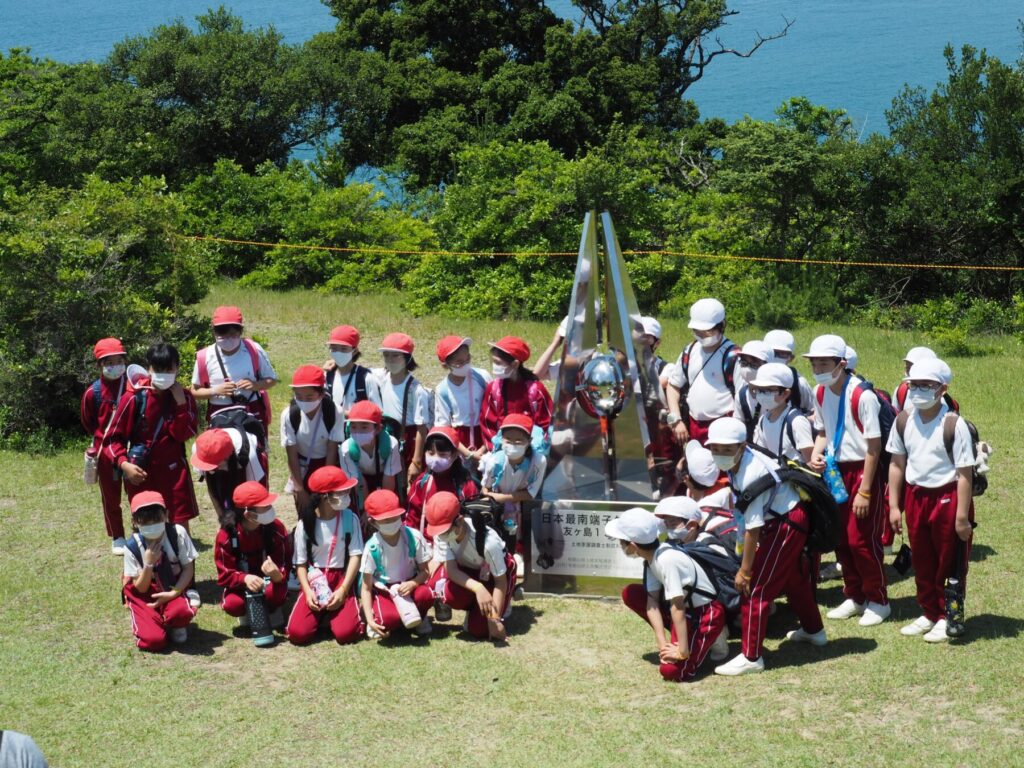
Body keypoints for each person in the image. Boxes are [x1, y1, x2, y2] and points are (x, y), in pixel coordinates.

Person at [706, 417, 826, 676]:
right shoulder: (740, 462)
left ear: (741, 446)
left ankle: (751, 657)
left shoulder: (751, 473)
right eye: (715, 448)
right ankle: (814, 630)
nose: (720, 453)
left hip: (785, 524)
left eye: (727, 449)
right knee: (793, 580)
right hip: (787, 519)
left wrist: (745, 570)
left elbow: (753, 528)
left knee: (755, 588)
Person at [887, 359, 975, 642]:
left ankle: (946, 614)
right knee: (922, 558)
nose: (918, 390)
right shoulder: (903, 421)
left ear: (942, 389)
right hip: (916, 495)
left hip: (947, 497)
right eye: (913, 385)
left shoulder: (953, 424)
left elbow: (964, 473)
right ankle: (928, 611)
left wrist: (962, 517)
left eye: (926, 385)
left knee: (948, 560)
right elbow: (897, 464)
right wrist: (894, 506)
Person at [805, 334, 890, 626]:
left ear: (841, 364)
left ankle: (878, 599)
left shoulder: (862, 395)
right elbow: (823, 431)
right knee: (840, 537)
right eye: (814, 364)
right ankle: (855, 595)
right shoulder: (819, 391)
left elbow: (874, 447)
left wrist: (865, 491)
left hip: (862, 470)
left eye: (824, 363)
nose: (818, 369)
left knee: (861, 539)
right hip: (834, 470)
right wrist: (816, 454)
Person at [611, 507, 729, 682]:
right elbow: (652, 602)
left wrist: (682, 651)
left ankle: (716, 634)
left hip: (705, 613)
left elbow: (677, 606)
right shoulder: (651, 558)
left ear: (634, 545)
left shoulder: (667, 559)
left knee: (672, 671)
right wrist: (663, 645)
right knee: (631, 593)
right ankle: (696, 641)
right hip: (684, 613)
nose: (621, 545)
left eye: (622, 542)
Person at [104, 343, 200, 532]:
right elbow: (112, 438)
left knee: (180, 528)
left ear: (177, 368)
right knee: (146, 526)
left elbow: (182, 434)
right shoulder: (134, 397)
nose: (164, 374)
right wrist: (124, 464)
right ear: (148, 368)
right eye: (158, 369)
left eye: (169, 369)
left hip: (174, 471)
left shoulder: (185, 397)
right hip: (141, 472)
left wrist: (180, 404)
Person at [287, 466, 364, 645]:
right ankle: (325, 616)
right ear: (324, 496)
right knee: (298, 633)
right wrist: (307, 592)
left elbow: (355, 556)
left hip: (341, 579)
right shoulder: (304, 525)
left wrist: (343, 589)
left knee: (346, 634)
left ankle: (332, 616)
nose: (347, 495)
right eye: (341, 492)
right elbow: (300, 563)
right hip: (315, 581)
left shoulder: (350, 519)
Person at [426, 492, 516, 641]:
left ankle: (501, 605)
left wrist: (494, 620)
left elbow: (500, 581)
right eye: (438, 532)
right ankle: (477, 605)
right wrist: (478, 588)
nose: (441, 536)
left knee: (480, 631)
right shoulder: (441, 534)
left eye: (445, 531)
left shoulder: (488, 542)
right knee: (448, 593)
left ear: (460, 520)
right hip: (472, 571)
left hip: (497, 576)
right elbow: (451, 570)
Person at [121, 491, 199, 651]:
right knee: (154, 641)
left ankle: (176, 623)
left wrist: (174, 593)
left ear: (166, 515)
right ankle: (149, 620)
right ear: (135, 522)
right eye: (145, 522)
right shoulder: (132, 547)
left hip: (172, 585)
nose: (152, 526)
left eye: (156, 520)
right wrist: (148, 564)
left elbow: (188, 569)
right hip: (146, 592)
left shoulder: (177, 533)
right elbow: (140, 588)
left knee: (181, 613)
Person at [214, 481, 290, 631]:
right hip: (242, 585)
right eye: (265, 507)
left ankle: (272, 609)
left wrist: (278, 575)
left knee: (277, 595)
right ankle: (247, 610)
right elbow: (224, 574)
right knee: (233, 604)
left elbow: (286, 561)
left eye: (269, 504)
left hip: (269, 581)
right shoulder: (226, 536)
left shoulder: (276, 528)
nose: (270, 509)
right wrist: (244, 578)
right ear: (248, 514)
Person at [359, 489, 435, 639]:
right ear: (373, 522)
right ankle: (386, 615)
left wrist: (413, 583)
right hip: (385, 590)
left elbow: (425, 571)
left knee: (425, 595)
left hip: (410, 585)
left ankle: (420, 616)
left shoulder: (414, 537)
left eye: (394, 517)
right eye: (385, 520)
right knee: (388, 620)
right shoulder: (372, 547)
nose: (391, 523)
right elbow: (366, 588)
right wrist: (370, 620)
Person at [480, 413, 547, 576]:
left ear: (529, 441)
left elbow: (531, 493)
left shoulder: (538, 461)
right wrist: (496, 499)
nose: (512, 445)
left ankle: (519, 554)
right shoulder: (494, 462)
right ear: (501, 439)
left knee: (520, 531)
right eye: (508, 440)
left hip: (522, 505)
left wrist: (505, 498)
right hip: (498, 506)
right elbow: (485, 489)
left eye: (518, 441)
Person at [666, 298, 739, 446]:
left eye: (707, 332)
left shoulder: (733, 356)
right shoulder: (690, 351)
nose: (702, 336)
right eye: (697, 332)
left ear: (722, 325)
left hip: (723, 428)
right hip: (693, 425)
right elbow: (673, 385)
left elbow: (742, 398)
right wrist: (676, 419)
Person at [190, 305, 277, 428]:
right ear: (214, 331)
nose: (228, 338)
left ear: (240, 331)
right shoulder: (204, 356)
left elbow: (272, 380)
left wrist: (255, 385)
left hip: (252, 410)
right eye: (222, 332)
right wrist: (215, 391)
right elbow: (194, 391)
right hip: (219, 413)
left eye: (232, 333)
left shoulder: (254, 350)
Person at [81, 337, 130, 554]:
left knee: (137, 490)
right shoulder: (93, 393)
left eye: (119, 361)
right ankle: (117, 536)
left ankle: (142, 528)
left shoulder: (133, 384)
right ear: (99, 365)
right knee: (111, 496)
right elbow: (89, 422)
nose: (115, 366)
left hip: (131, 447)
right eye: (109, 362)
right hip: (105, 452)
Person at [280, 365, 344, 513]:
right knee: (305, 512)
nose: (304, 401)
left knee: (327, 511)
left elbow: (332, 449)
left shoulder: (334, 412)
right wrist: (299, 489)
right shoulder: (289, 415)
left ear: (321, 394)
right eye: (298, 396)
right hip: (301, 467)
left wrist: (326, 484)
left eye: (309, 397)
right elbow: (292, 455)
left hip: (326, 464)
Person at [404, 426, 479, 547]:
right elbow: (411, 517)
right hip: (426, 545)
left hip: (456, 546)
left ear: (455, 454)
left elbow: (472, 520)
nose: (435, 459)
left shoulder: (465, 485)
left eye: (442, 454)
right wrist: (412, 545)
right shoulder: (421, 483)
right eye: (431, 453)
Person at [377, 332, 432, 486]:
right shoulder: (382, 378)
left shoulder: (416, 390)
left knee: (410, 483)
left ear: (407, 358)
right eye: (386, 355)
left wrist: (416, 461)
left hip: (408, 440)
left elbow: (421, 429)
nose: (390, 360)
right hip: (387, 437)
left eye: (395, 356)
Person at [478, 336, 554, 447]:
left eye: (498, 363)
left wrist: (536, 449)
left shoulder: (536, 390)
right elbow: (487, 422)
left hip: (531, 449)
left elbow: (547, 423)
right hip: (501, 449)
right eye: (493, 361)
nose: (494, 366)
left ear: (515, 364)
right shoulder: (493, 389)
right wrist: (495, 447)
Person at [432, 335, 491, 460]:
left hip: (485, 436)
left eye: (467, 359)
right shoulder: (442, 390)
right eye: (459, 363)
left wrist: (484, 448)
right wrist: (468, 454)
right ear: (445, 365)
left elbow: (493, 411)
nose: (465, 364)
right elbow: (444, 427)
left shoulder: (482, 377)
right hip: (460, 442)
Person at [338, 400, 403, 514]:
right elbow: (359, 482)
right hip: (362, 481)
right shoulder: (346, 450)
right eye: (353, 427)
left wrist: (383, 507)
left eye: (364, 427)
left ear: (378, 429)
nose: (358, 432)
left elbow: (389, 479)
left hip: (383, 478)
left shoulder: (391, 444)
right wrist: (368, 510)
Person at [190, 425, 266, 517]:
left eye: (214, 466)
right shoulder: (199, 450)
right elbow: (211, 488)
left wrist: (251, 520)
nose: (211, 469)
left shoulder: (248, 454)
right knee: (223, 497)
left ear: (227, 456)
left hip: (242, 459)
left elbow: (257, 493)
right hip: (227, 460)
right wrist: (222, 518)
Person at [749, 362, 815, 463]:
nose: (762, 395)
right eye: (759, 390)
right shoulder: (763, 419)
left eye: (768, 391)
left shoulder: (797, 422)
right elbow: (762, 456)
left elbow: (811, 462)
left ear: (785, 393)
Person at [322, 324, 382, 413]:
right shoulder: (326, 377)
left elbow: (377, 412)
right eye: (334, 348)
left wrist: (346, 414)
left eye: (343, 349)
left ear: (355, 351)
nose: (338, 353)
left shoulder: (366, 379)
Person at [763, 329, 815, 411]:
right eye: (772, 352)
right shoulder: (753, 378)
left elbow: (811, 410)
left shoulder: (799, 384)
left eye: (782, 354)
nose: (775, 357)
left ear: (791, 358)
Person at [893, 346, 938, 413]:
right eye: (908, 368)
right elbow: (895, 416)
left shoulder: (939, 396)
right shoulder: (902, 390)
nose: (910, 372)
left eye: (914, 368)